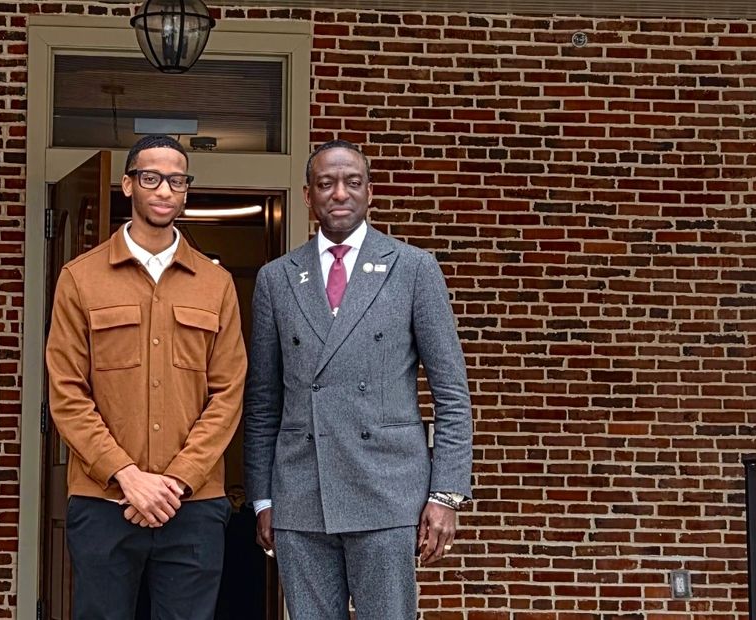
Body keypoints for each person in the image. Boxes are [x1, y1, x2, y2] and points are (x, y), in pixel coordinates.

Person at [243, 139, 474, 619]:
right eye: (326, 184)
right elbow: (263, 400)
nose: (339, 193)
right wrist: (263, 497)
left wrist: (446, 494)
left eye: (351, 182)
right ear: (308, 195)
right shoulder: (276, 278)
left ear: (370, 191)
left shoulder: (412, 268)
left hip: (388, 492)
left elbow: (451, 394)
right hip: (302, 492)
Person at [45, 134, 246, 620]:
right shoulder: (80, 278)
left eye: (176, 181)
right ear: (128, 184)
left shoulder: (216, 284)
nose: (163, 190)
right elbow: (67, 392)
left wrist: (175, 481)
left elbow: (228, 393)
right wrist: (128, 476)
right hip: (105, 501)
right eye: (151, 178)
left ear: (185, 192)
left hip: (193, 505)